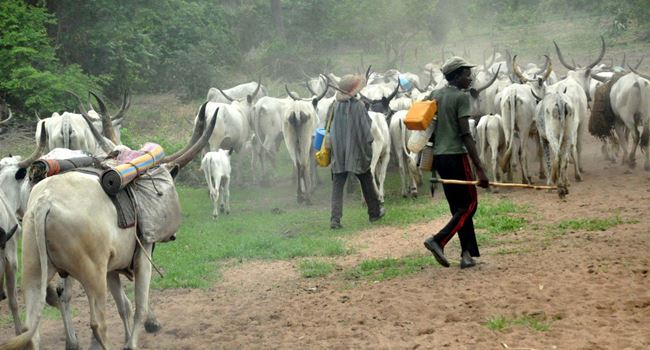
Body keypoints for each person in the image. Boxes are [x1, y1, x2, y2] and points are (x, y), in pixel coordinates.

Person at [423, 57, 490, 269]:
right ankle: (439, 240)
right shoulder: (461, 98)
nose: (469, 78)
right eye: (466, 74)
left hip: (440, 158)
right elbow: (465, 134)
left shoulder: (435, 95)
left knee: (458, 208)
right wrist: (480, 168)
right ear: (457, 75)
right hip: (456, 156)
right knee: (470, 204)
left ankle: (466, 254)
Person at [328, 74, 385, 229]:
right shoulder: (358, 106)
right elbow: (366, 131)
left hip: (338, 153)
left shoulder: (333, 106)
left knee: (338, 185)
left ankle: (335, 219)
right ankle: (374, 213)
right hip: (356, 152)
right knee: (366, 180)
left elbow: (328, 128)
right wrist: (368, 147)